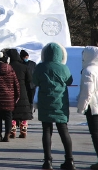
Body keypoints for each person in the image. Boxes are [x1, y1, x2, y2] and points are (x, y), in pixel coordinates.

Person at [34, 42, 75, 170]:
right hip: (60, 104)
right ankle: (70, 160)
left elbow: (34, 81)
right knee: (64, 131)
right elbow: (70, 81)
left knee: (46, 130)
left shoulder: (40, 67)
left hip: (45, 103)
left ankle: (47, 161)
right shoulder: (64, 68)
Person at [77, 46, 98, 170]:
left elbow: (87, 92)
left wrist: (81, 107)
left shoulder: (88, 70)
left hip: (93, 107)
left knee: (95, 134)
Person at [5, 48, 33, 139]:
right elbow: (29, 80)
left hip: (11, 91)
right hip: (23, 90)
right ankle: (23, 129)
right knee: (24, 111)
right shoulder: (24, 67)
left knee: (12, 110)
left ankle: (12, 129)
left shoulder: (8, 66)